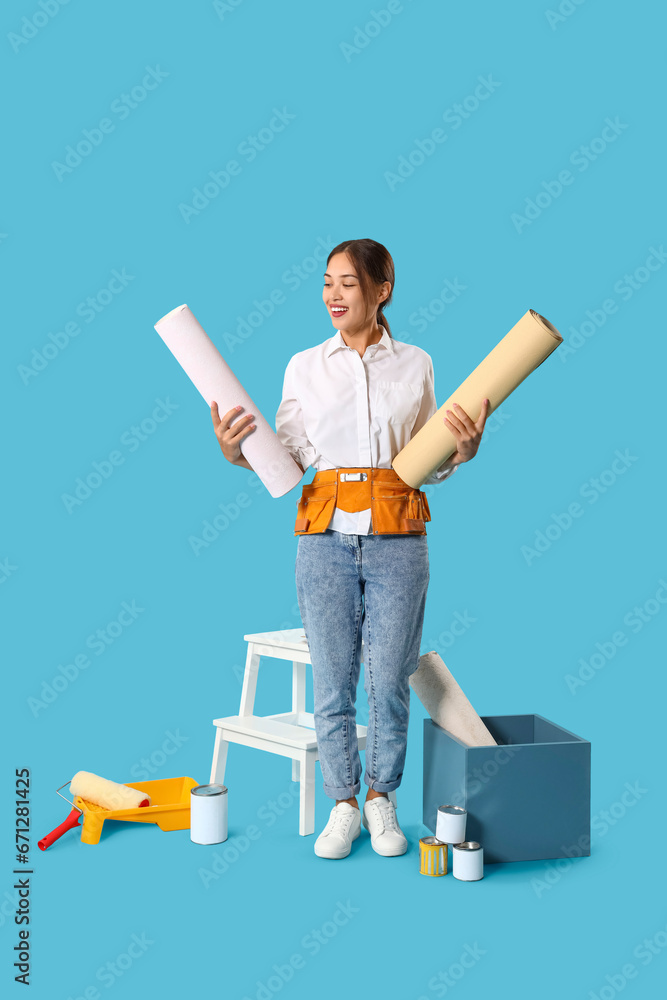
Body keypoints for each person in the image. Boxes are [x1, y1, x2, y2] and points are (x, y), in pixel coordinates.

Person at [211, 238, 489, 860]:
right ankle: (343, 804)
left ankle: (379, 799)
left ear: (381, 288)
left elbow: (423, 459)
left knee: (389, 678)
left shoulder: (415, 364)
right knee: (333, 681)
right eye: (326, 282)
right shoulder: (304, 366)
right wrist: (239, 456)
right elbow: (290, 458)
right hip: (325, 541)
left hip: (399, 538)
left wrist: (459, 454)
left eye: (347, 283)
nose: (332, 295)